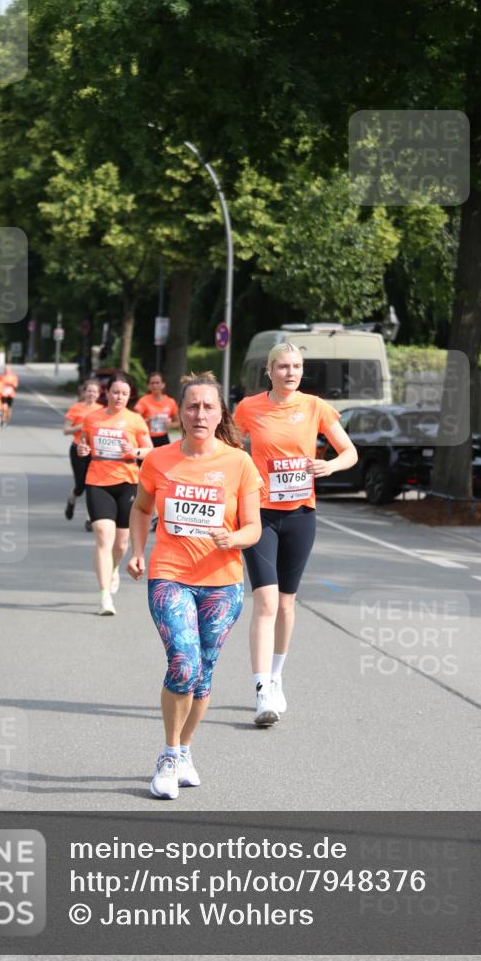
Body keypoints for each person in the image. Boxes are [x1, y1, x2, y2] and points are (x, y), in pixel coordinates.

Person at [127, 372, 262, 799]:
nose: (199, 413)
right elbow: (141, 508)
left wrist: (234, 538)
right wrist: (135, 550)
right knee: (182, 663)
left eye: (208, 407)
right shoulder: (158, 460)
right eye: (192, 406)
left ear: (220, 413)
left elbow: (255, 527)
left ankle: (185, 749)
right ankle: (168, 754)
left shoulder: (239, 463)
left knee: (203, 674)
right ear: (179, 412)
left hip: (223, 582)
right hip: (170, 574)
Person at [233, 342, 358, 726]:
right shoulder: (249, 408)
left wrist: (330, 467)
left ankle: (276, 674)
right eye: (283, 366)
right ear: (269, 371)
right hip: (260, 516)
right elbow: (230, 450)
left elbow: (350, 451)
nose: (291, 372)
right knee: (266, 603)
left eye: (297, 366)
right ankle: (260, 691)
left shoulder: (315, 407)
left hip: (301, 514)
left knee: (287, 605)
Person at [77, 373, 154, 615]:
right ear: (106, 393)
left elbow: (150, 451)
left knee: (121, 543)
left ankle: (113, 569)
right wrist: (82, 448)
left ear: (130, 396)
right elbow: (83, 443)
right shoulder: (92, 418)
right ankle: (104, 597)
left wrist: (134, 450)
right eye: (115, 392)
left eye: (124, 393)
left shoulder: (135, 420)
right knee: (103, 536)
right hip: (98, 481)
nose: (119, 396)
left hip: (127, 482)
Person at [63, 379, 101, 525]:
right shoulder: (76, 408)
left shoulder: (102, 410)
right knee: (81, 486)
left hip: (95, 451)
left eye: (95, 391)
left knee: (93, 485)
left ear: (99, 394)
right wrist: (81, 426)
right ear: (84, 392)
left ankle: (90, 518)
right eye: (89, 391)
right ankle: (71, 500)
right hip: (78, 449)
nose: (92, 394)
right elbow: (65, 430)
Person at [134, 372, 180, 447]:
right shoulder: (143, 401)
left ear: (163, 385)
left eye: (157, 383)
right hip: (147, 438)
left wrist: (170, 425)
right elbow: (134, 422)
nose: (155, 385)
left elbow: (178, 423)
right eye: (152, 383)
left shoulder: (170, 402)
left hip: (163, 438)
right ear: (148, 386)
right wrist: (148, 420)